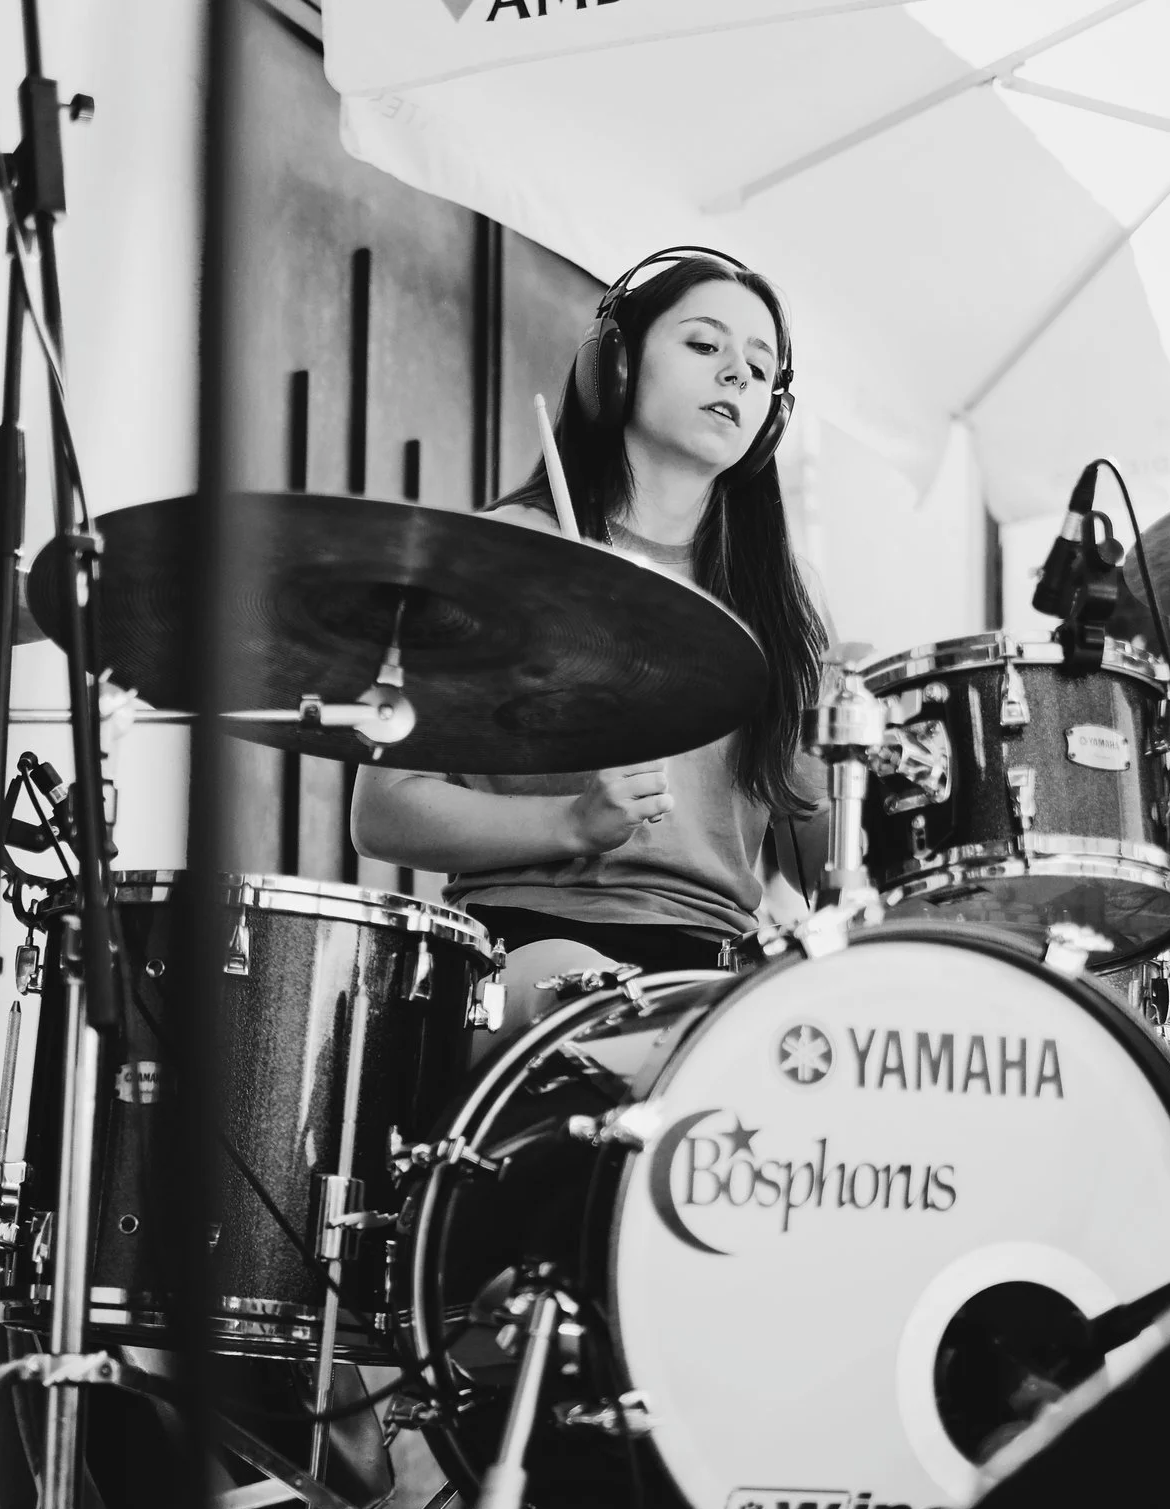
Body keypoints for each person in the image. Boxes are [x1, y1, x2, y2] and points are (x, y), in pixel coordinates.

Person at [353, 247, 830, 1032]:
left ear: (772, 417)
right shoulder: (509, 551)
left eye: (759, 364)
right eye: (705, 345)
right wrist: (571, 823)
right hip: (528, 951)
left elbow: (815, 858)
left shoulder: (787, 602)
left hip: (717, 969)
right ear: (614, 369)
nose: (737, 375)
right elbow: (384, 812)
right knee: (631, 1035)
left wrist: (858, 777)